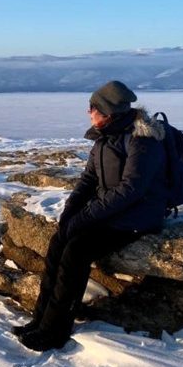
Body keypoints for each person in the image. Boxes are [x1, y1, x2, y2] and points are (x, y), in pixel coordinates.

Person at [13, 80, 168, 351]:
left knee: (76, 251)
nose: (88, 112)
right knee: (59, 242)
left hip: (138, 218)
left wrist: (84, 218)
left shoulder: (141, 140)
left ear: (107, 112)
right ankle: (40, 320)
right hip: (112, 211)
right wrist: (69, 213)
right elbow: (88, 180)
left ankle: (55, 331)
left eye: (92, 108)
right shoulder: (103, 138)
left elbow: (131, 189)